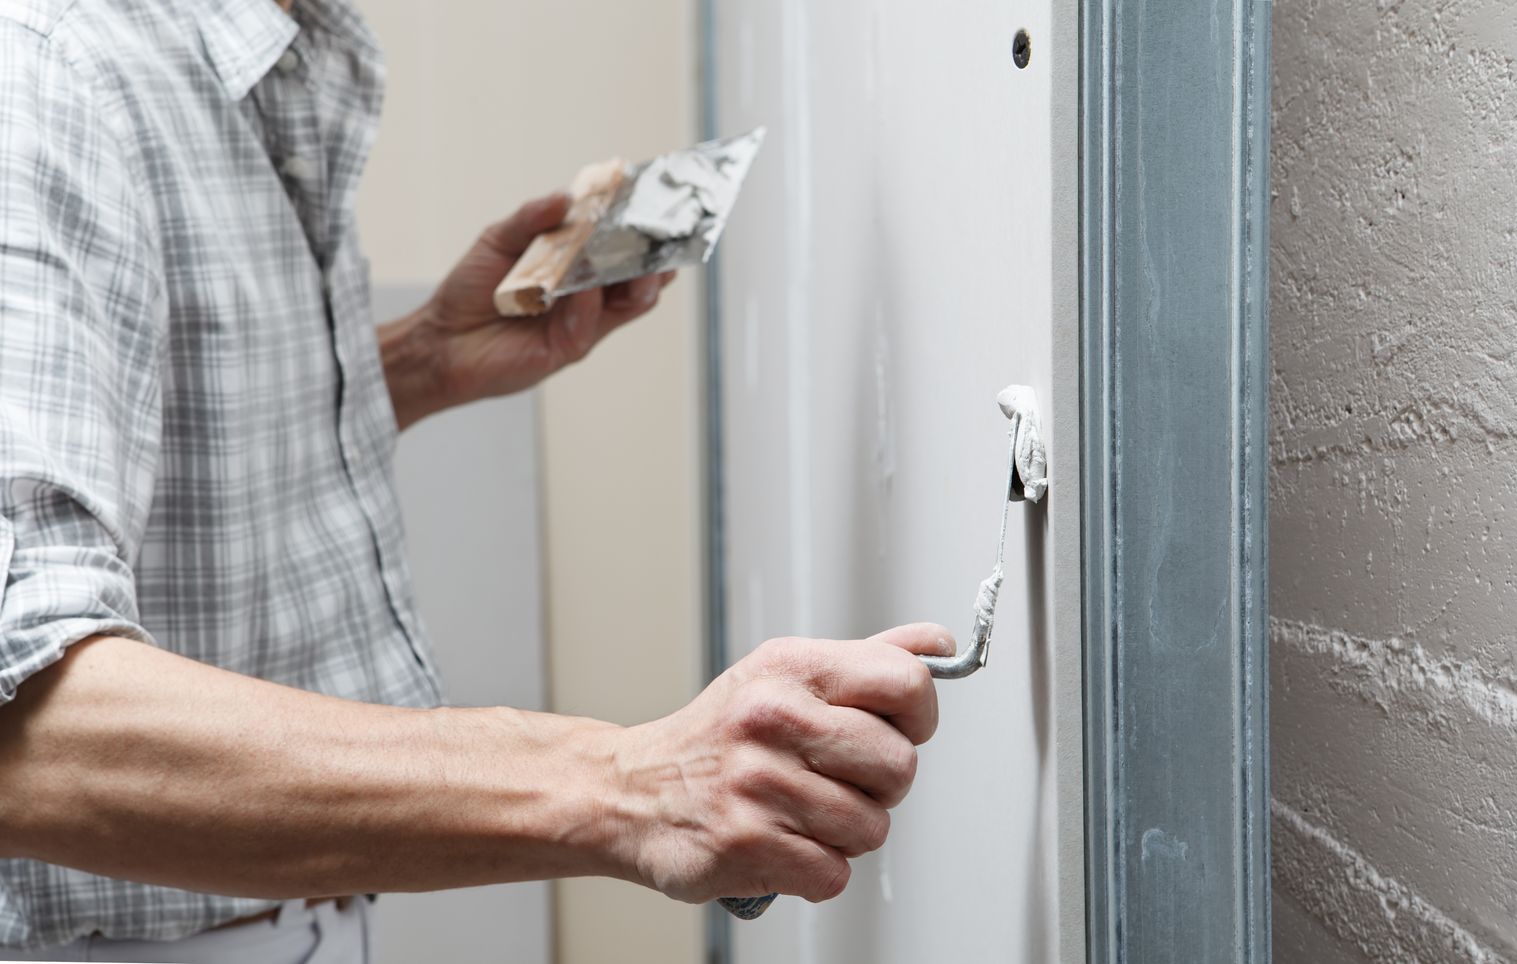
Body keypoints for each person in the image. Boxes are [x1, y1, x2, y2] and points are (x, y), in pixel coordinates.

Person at [0, 0, 948, 958]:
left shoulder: (255, 54)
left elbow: (138, 429)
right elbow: (27, 735)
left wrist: (419, 362)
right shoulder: (46, 72)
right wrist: (633, 785)